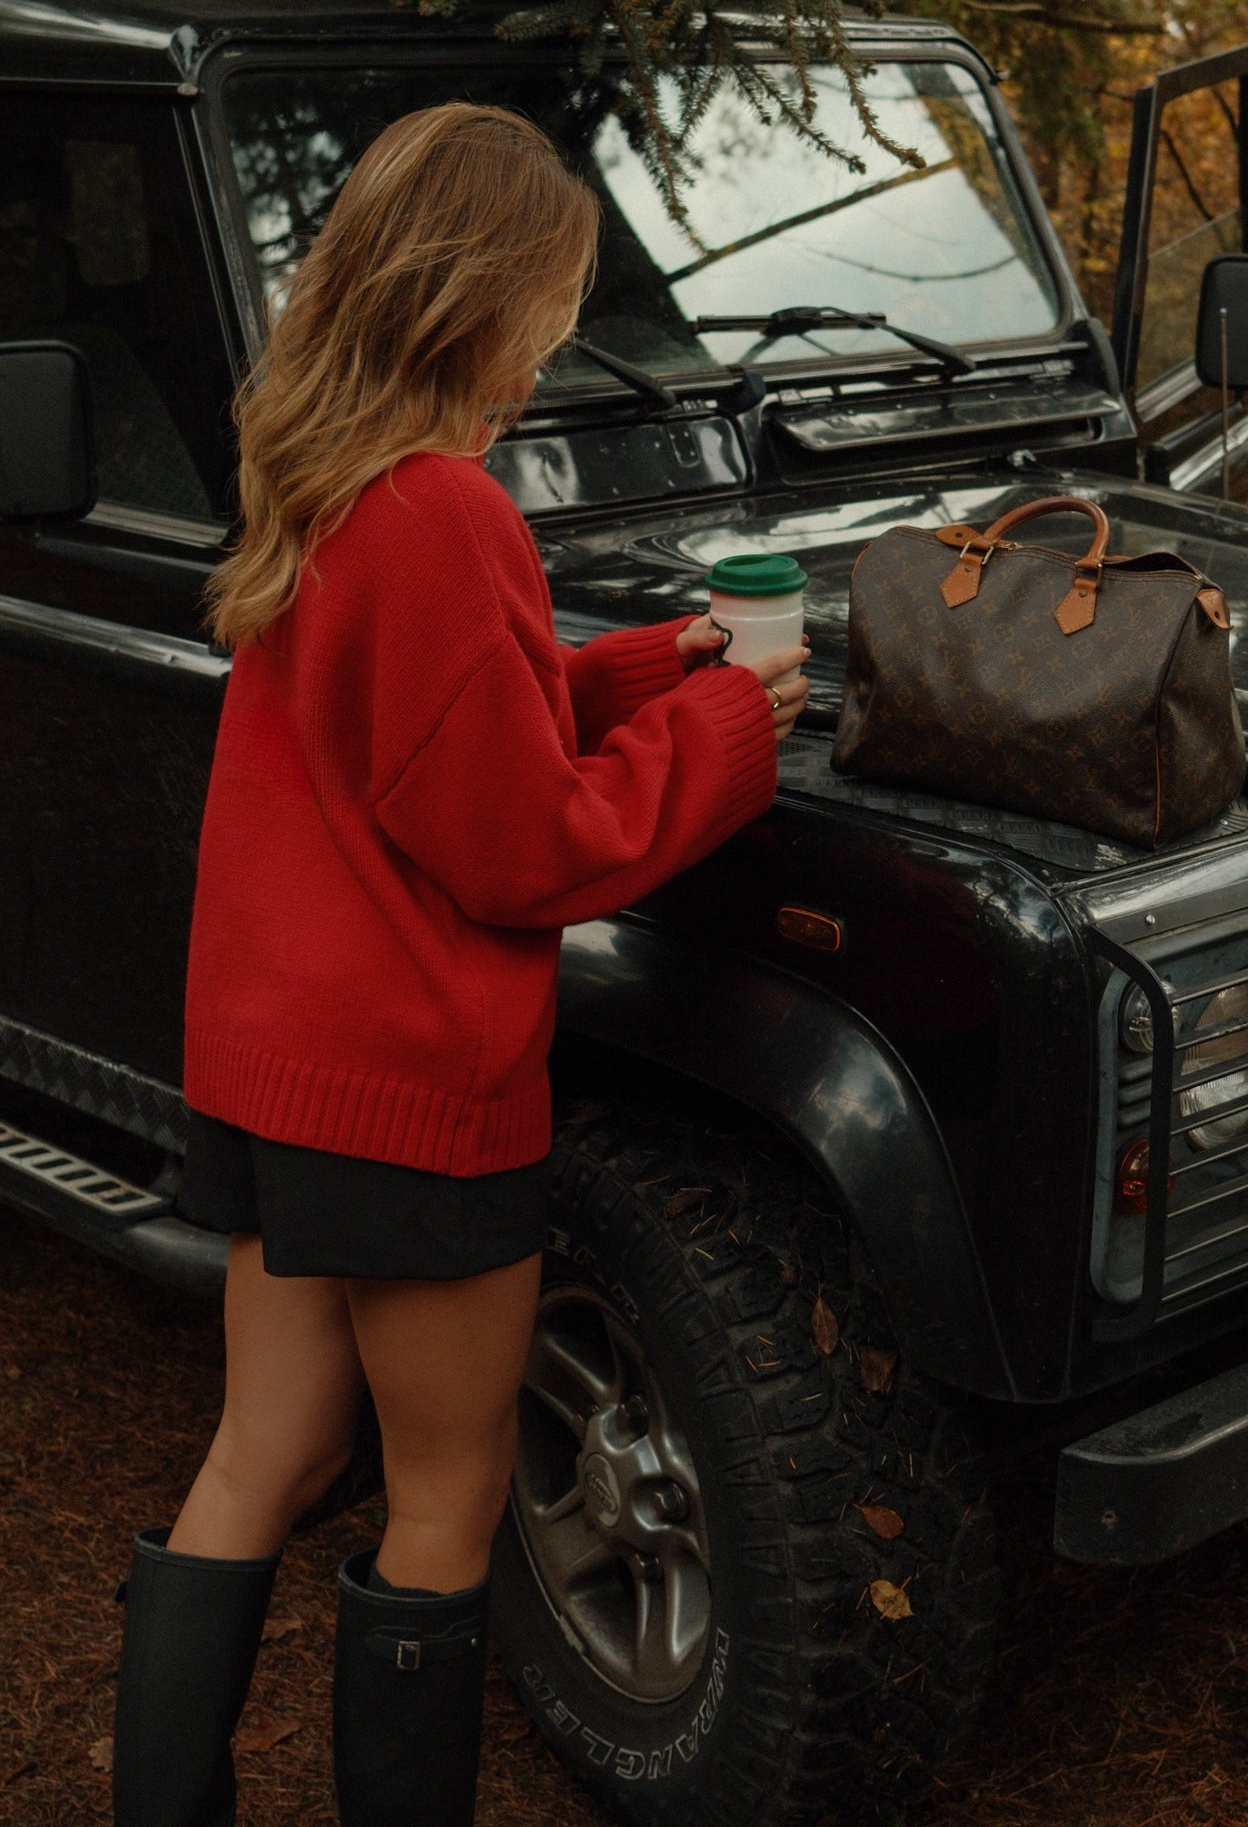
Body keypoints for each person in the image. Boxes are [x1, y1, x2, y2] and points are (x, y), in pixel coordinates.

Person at [109, 101, 808, 1827]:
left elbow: (423, 737)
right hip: (405, 1089)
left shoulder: (323, 478)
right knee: (445, 1498)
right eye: (555, 296)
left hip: (276, 1077)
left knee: (260, 1453)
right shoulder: (442, 509)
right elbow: (525, 849)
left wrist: (652, 663)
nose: (561, 333)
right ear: (481, 295)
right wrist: (731, 722)